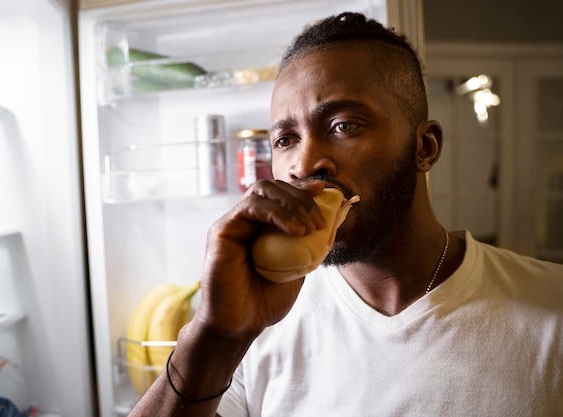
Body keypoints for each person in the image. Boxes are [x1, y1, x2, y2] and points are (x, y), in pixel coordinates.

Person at [128, 12, 563, 417]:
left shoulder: (551, 308)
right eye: (285, 140)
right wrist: (215, 337)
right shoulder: (255, 326)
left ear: (424, 147)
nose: (304, 164)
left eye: (343, 126)